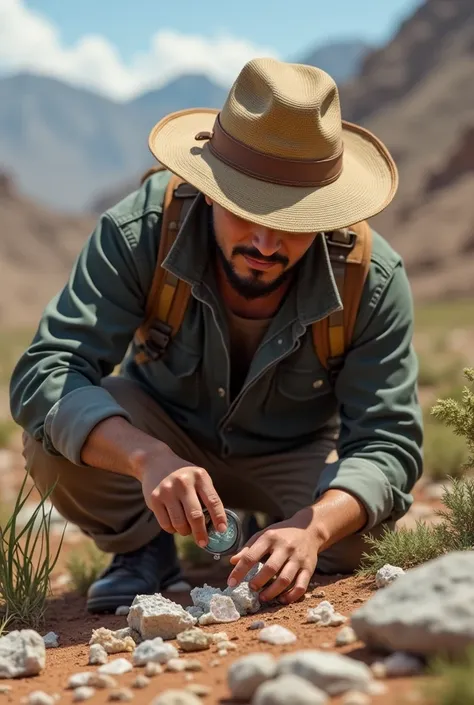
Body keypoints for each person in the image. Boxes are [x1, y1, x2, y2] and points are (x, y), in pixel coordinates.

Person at [9, 57, 423, 614]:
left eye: (294, 220)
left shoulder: (371, 277)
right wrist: (145, 456)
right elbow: (47, 373)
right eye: (246, 210)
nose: (266, 242)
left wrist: (314, 528)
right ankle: (143, 550)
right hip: (164, 431)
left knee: (360, 530)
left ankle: (274, 534)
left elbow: (387, 441)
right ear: (209, 189)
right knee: (55, 437)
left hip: (294, 455)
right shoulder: (140, 232)